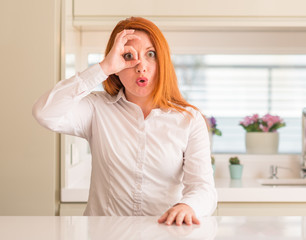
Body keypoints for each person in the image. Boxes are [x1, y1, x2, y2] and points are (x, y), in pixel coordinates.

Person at [33, 17, 217, 225]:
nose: (141, 66)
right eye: (128, 56)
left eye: (151, 54)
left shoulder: (189, 120)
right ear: (116, 66)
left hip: (162, 233)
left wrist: (187, 206)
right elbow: (45, 113)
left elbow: (203, 188)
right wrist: (102, 68)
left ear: (163, 60)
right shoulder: (96, 109)